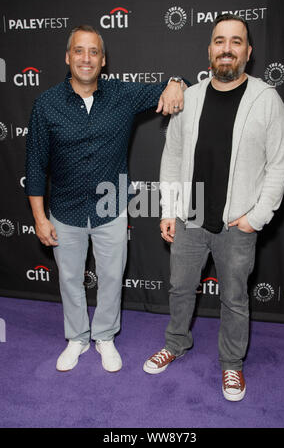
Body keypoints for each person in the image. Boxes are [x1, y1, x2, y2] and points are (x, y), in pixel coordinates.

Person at [143, 14, 284, 402]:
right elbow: (172, 157)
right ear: (209, 50)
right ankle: (175, 344)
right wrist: (168, 209)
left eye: (236, 41)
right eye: (220, 41)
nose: (227, 48)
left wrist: (256, 218)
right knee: (179, 289)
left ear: (248, 52)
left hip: (237, 224)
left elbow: (278, 165)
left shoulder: (266, 99)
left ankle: (232, 365)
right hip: (190, 217)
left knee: (235, 299)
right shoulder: (189, 98)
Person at [25, 24, 186, 373]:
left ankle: (105, 337)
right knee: (69, 278)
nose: (86, 58)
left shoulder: (122, 95)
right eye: (79, 51)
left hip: (109, 207)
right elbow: (35, 165)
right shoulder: (46, 105)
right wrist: (39, 218)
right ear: (68, 57)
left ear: (103, 60)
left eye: (93, 52)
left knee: (112, 276)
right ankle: (78, 338)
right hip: (64, 210)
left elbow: (171, 87)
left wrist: (176, 80)